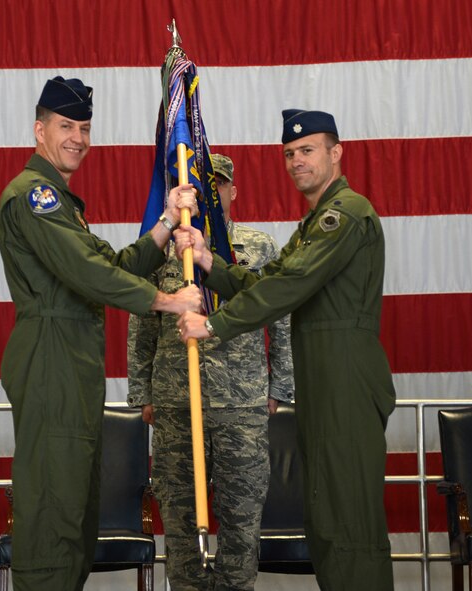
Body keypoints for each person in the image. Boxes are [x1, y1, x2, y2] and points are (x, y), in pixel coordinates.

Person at [0, 76, 203, 591]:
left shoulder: (62, 202)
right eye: (66, 126)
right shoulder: (34, 197)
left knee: (75, 517)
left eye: (85, 128)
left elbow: (108, 262)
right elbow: (89, 275)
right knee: (52, 514)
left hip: (70, 367)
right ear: (39, 130)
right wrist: (169, 300)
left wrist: (162, 227)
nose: (78, 138)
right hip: (50, 364)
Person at [175, 110, 396, 591]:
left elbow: (291, 285)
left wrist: (213, 326)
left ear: (336, 152)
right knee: (329, 519)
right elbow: (268, 280)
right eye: (290, 154)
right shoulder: (315, 221)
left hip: (346, 379)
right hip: (324, 381)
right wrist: (210, 262)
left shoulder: (345, 214)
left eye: (308, 150)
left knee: (349, 524)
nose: (297, 161)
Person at [127, 153, 294, 590]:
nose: (209, 195)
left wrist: (280, 386)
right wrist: (141, 391)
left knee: (241, 521)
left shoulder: (257, 246)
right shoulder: (161, 245)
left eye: (217, 186)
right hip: (176, 401)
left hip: (242, 404)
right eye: (199, 188)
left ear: (232, 191)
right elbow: (141, 319)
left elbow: (281, 319)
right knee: (181, 522)